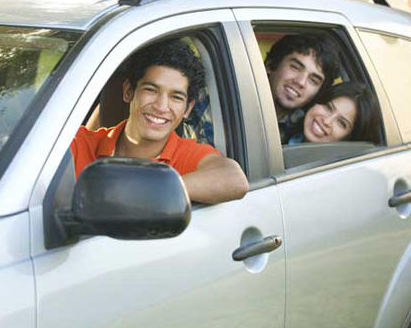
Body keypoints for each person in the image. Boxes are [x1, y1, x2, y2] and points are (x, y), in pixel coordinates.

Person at [71, 39, 248, 205]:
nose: (161, 106)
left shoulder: (187, 155)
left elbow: (235, 179)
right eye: (151, 90)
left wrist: (143, 190)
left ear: (187, 109)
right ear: (128, 92)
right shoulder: (80, 143)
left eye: (176, 97)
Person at [264, 34, 341, 143]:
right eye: (295, 67)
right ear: (270, 65)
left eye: (313, 80)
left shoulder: (307, 133)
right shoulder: (234, 101)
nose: (301, 82)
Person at [287, 82, 379, 144]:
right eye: (328, 107)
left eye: (341, 123)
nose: (326, 121)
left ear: (349, 139)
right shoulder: (286, 132)